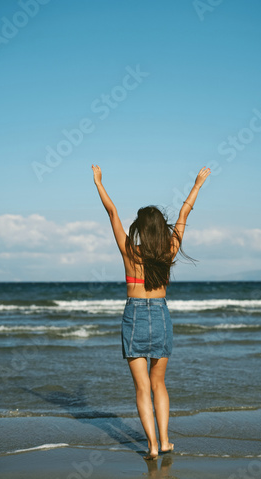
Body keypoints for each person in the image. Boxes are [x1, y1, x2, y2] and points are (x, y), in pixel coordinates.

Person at [92, 164, 211, 459]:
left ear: (141, 229)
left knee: (142, 387)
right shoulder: (170, 249)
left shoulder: (129, 252)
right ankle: (166, 440)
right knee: (159, 383)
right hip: (160, 315)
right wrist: (197, 185)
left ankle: (153, 446)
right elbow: (184, 214)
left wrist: (98, 183)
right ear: (160, 229)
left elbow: (112, 213)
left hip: (133, 316)